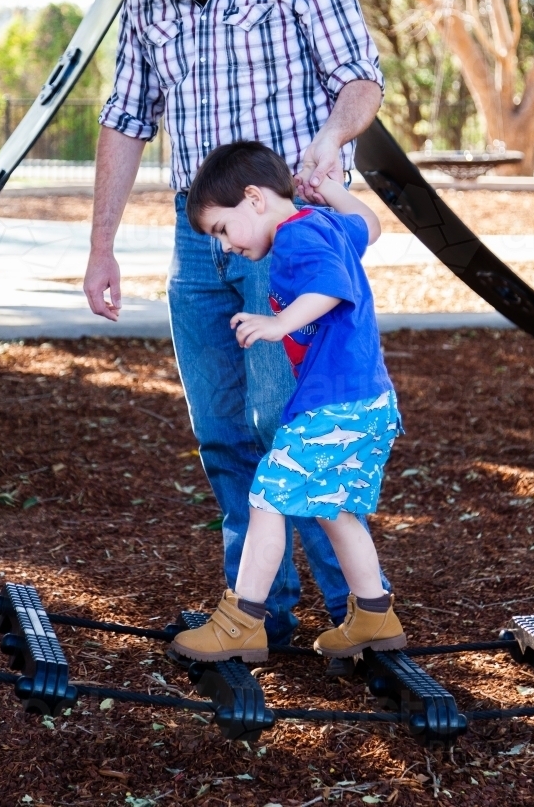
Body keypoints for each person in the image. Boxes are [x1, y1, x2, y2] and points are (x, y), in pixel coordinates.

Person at [82, 0, 387, 644]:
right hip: (200, 240)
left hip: (290, 236)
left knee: (298, 429)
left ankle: (352, 612)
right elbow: (124, 116)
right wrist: (101, 245)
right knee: (221, 430)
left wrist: (330, 140)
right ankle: (258, 613)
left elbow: (358, 76)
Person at [170, 142, 405, 662]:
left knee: (266, 498)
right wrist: (337, 192)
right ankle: (374, 615)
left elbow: (330, 286)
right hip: (368, 401)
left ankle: (242, 622)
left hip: (331, 406)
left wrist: (277, 323)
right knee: (334, 509)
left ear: (253, 198)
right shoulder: (324, 223)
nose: (225, 246)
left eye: (222, 230)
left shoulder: (297, 235)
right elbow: (372, 225)